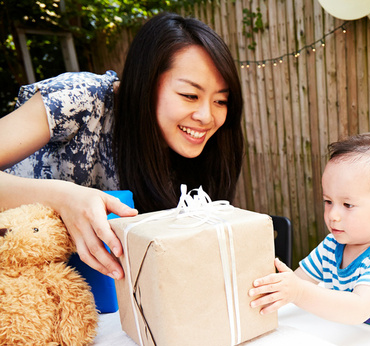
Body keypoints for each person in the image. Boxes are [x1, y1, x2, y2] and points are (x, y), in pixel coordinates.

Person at [0, 12, 244, 280]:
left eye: (220, 101)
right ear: (146, 83)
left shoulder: (201, 152)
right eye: (190, 95)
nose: (207, 117)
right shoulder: (81, 99)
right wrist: (62, 197)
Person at [249, 133, 370, 343]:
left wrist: (298, 292)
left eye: (347, 205)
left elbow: (358, 308)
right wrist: (276, 290)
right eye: (328, 201)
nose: (333, 215)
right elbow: (298, 281)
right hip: (357, 341)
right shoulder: (331, 246)